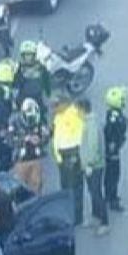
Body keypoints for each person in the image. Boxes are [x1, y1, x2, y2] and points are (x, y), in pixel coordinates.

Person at [52, 95, 85, 227]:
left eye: (56, 106)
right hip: (63, 157)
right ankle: (69, 214)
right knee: (66, 187)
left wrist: (77, 155)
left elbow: (80, 135)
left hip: (72, 154)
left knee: (73, 187)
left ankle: (76, 217)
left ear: (64, 104)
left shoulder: (74, 115)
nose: (53, 109)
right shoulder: (59, 116)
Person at [80, 98, 109, 235]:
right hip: (91, 165)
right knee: (92, 192)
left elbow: (93, 146)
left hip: (94, 166)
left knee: (97, 193)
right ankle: (95, 216)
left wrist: (89, 163)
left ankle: (104, 222)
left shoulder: (91, 125)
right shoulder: (89, 122)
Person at [10, 97, 49, 194]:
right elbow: (10, 140)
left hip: (35, 159)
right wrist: (25, 139)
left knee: (36, 186)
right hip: (20, 161)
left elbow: (45, 139)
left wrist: (42, 139)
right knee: (20, 188)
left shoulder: (40, 120)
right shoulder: (14, 122)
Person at [103, 85, 128, 212]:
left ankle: (110, 196)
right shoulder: (114, 117)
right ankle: (112, 199)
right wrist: (113, 147)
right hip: (112, 153)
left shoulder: (113, 114)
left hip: (112, 150)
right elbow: (112, 133)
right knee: (113, 175)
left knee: (111, 175)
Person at [14, 41, 52, 111]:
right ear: (22, 56)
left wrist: (48, 92)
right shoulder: (19, 68)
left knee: (43, 114)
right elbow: (15, 84)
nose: (28, 57)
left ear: (34, 55)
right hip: (23, 98)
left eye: (30, 55)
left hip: (37, 97)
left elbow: (46, 81)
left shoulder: (41, 67)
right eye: (26, 55)